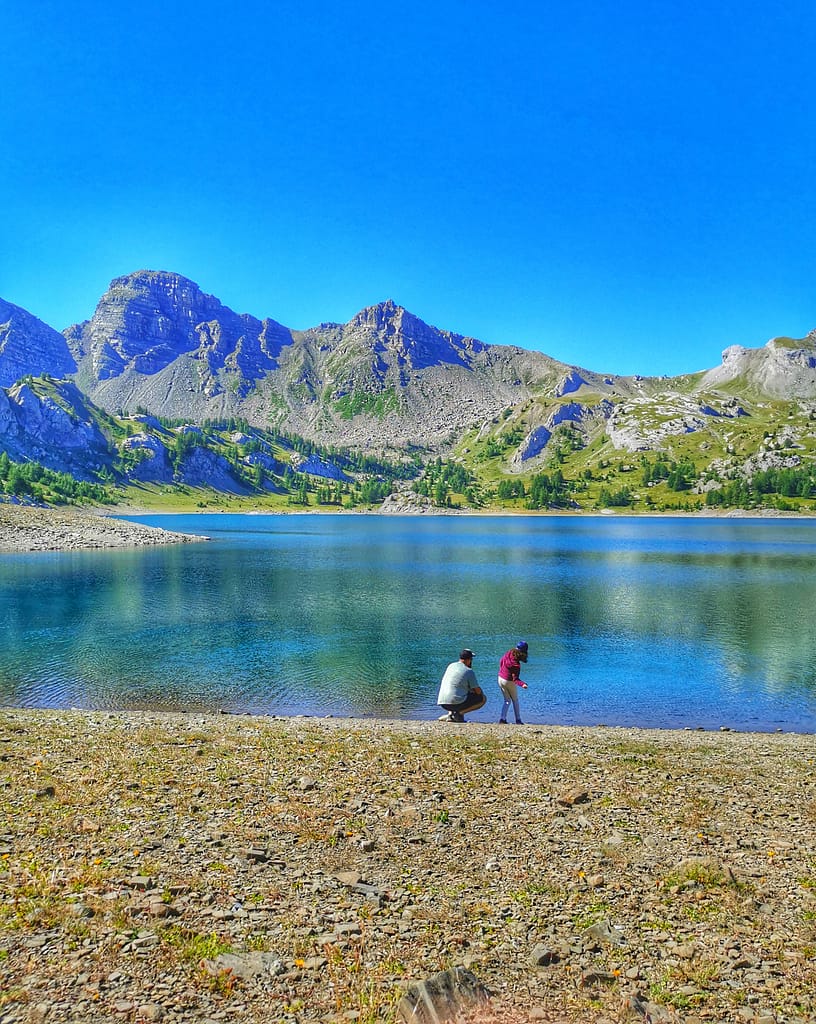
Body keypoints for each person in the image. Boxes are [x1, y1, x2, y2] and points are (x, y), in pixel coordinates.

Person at [436, 649, 486, 723]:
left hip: (442, 702)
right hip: (455, 703)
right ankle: (459, 714)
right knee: (482, 698)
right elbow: (478, 691)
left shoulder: (451, 666)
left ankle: (450, 715)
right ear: (469, 660)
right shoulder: (468, 671)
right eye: (471, 659)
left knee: (457, 692)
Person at [497, 641, 529, 724]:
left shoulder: (508, 653)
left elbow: (501, 661)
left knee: (507, 700)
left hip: (500, 678)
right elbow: (515, 679)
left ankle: (502, 719)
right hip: (508, 681)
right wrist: (523, 684)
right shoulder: (516, 665)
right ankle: (518, 720)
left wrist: (502, 672)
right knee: (515, 700)